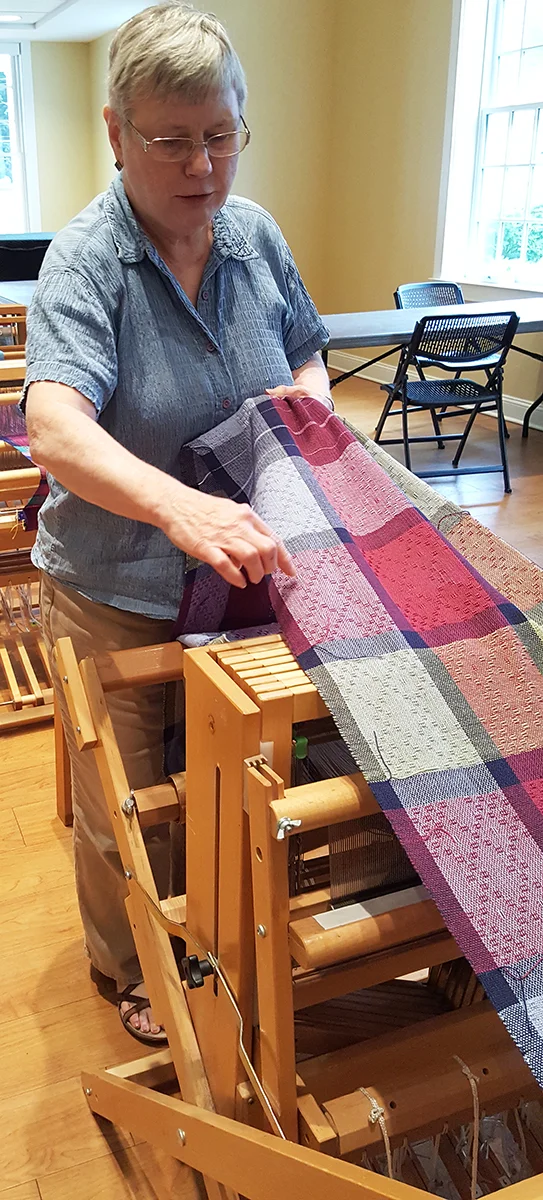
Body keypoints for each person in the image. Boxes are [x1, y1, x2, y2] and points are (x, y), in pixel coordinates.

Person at [24, 1, 330, 1044]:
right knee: (128, 799)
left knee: (233, 775)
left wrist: (307, 414)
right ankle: (136, 966)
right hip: (119, 581)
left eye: (220, 135)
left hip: (242, 576)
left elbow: (305, 349)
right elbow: (54, 425)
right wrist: (183, 506)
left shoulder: (254, 236)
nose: (201, 165)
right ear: (116, 133)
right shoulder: (86, 262)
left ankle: (234, 925)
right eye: (170, 141)